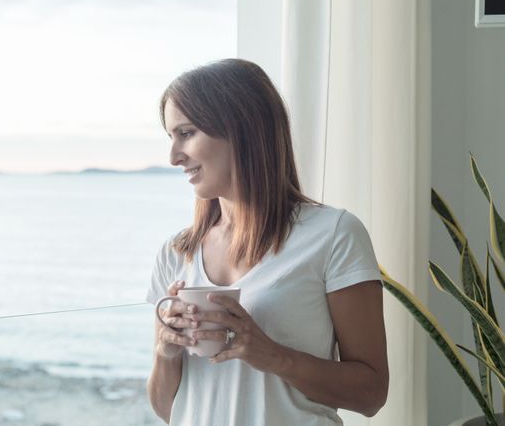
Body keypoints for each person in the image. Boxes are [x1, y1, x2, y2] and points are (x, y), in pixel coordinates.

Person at [145, 58, 389, 425]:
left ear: (240, 128)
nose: (174, 156)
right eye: (170, 137)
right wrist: (166, 351)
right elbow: (167, 409)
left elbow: (371, 395)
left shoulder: (333, 234)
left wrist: (272, 356)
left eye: (187, 133)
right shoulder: (177, 252)